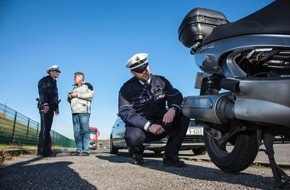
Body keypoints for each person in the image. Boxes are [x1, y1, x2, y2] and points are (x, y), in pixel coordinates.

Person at [118, 53, 190, 167]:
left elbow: (175, 95)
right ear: (133, 73)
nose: (145, 71)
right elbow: (125, 111)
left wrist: (173, 108)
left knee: (183, 117)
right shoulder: (126, 88)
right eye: (140, 70)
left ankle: (170, 156)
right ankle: (137, 154)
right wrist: (148, 125)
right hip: (141, 127)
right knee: (133, 136)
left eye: (146, 67)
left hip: (162, 123)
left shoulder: (161, 81)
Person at [68, 72, 94, 156]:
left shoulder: (87, 86)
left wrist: (77, 94)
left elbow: (91, 96)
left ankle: (86, 150)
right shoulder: (73, 89)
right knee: (76, 132)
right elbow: (70, 100)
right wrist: (69, 97)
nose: (74, 78)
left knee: (85, 131)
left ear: (81, 78)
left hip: (84, 111)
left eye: (75, 77)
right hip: (74, 112)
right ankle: (79, 150)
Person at [37, 65, 61, 157]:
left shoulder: (54, 82)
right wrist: (45, 104)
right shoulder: (45, 80)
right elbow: (42, 92)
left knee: (47, 129)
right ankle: (44, 151)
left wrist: (56, 109)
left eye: (58, 71)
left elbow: (55, 96)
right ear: (50, 71)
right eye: (56, 71)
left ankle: (43, 151)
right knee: (45, 129)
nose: (58, 73)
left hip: (51, 107)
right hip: (45, 106)